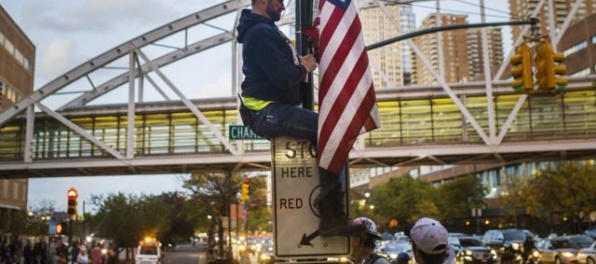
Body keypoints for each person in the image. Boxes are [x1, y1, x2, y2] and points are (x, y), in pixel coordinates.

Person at [236, 0, 364, 237]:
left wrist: (304, 61)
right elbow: (283, 78)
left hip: (271, 110)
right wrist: (304, 66)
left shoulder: (264, 30)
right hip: (267, 112)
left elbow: (284, 71)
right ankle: (331, 216)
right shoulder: (261, 33)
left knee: (331, 130)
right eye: (279, 2)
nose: (283, 7)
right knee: (332, 132)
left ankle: (331, 212)